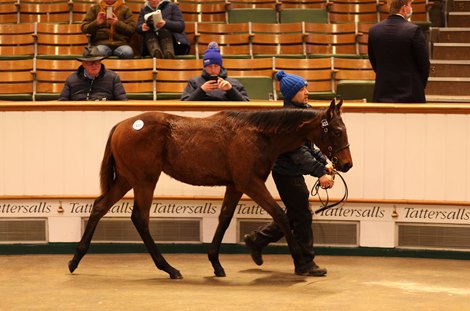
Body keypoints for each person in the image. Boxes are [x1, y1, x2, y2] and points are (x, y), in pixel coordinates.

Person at [243, 70, 334, 277]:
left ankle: (257, 239)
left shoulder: (303, 113)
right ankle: (305, 263)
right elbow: (298, 152)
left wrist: (323, 162)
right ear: (291, 93)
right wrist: (320, 172)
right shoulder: (288, 119)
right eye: (302, 89)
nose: (306, 91)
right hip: (286, 174)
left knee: (294, 216)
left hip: (292, 172)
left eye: (306, 87)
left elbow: (308, 146)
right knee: (301, 217)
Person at [367, 0, 430, 103]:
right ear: (404, 8)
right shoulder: (414, 30)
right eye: (410, 5)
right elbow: (424, 64)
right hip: (411, 94)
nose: (411, 8)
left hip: (382, 92)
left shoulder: (374, 30)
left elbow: (373, 61)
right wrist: (418, 85)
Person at [181, 42, 249, 101]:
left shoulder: (233, 83)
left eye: (216, 66)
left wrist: (230, 90)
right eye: (209, 66)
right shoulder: (194, 82)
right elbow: (184, 103)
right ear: (205, 67)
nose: (213, 70)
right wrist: (201, 90)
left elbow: (245, 103)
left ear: (220, 66)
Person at [59, 46, 127, 101]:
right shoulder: (71, 79)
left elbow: (123, 102)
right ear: (83, 64)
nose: (94, 65)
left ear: (100, 62)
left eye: (97, 62)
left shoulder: (113, 78)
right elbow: (62, 103)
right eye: (90, 62)